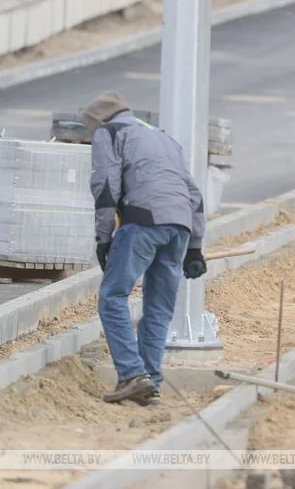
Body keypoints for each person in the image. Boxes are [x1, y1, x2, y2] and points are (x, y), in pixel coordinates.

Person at [83, 92, 208, 406]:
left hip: (143, 222)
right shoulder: (163, 139)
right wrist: (194, 247)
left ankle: (131, 374)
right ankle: (149, 381)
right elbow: (194, 194)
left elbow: (105, 187)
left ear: (98, 122)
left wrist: (104, 238)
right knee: (158, 308)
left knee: (112, 296)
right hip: (180, 227)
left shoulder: (108, 133)